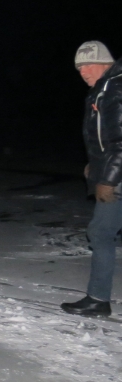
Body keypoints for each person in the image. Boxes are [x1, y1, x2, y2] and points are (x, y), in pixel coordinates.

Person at [62, 41, 122, 317]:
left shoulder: (115, 89)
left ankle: (98, 299)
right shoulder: (104, 89)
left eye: (88, 64)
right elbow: (105, 139)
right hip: (112, 171)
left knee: (100, 232)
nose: (83, 71)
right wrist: (95, 166)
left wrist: (108, 179)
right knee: (102, 232)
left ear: (105, 63)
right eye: (78, 67)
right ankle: (98, 297)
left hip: (118, 177)